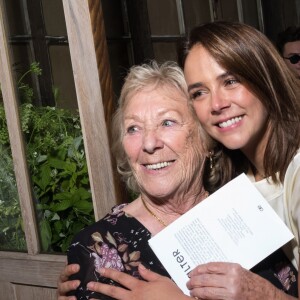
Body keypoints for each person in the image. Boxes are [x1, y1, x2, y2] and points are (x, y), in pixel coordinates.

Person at [58, 60, 225, 300]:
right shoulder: (98, 247)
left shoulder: (243, 212)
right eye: (134, 128)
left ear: (205, 138)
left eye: (167, 122)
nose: (148, 144)